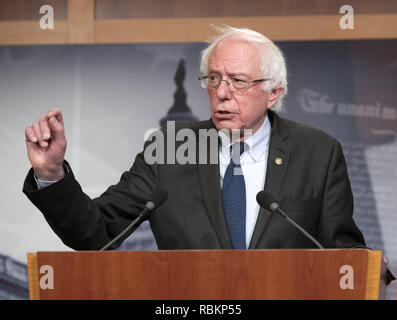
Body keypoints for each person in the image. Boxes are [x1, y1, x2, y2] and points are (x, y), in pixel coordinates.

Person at [23, 26, 367, 251]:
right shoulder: (169, 150)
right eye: (214, 79)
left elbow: (342, 257)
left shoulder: (318, 153)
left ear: (273, 93)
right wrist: (51, 175)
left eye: (238, 81)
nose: (222, 92)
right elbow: (96, 232)